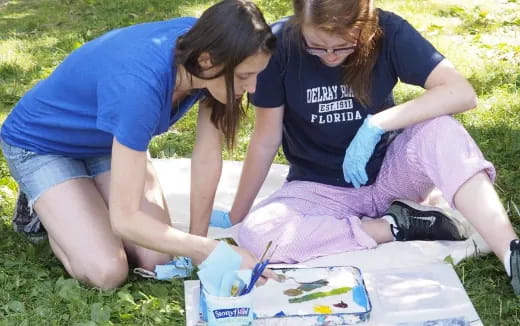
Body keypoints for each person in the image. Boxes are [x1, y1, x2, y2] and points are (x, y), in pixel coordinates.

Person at [211, 0, 520, 295]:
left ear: (365, 25)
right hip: (319, 188)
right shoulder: (278, 46)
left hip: (391, 175)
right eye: (316, 46)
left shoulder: (389, 30)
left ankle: (512, 255)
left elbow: (461, 92)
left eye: (344, 45)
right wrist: (238, 215)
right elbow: (266, 139)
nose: (330, 56)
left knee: (441, 128)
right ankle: (397, 226)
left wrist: (378, 124)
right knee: (258, 234)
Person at [0, 0, 276, 289]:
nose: (253, 88)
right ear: (207, 61)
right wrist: (211, 251)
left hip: (108, 142)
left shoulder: (210, 51)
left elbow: (206, 157)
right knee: (106, 272)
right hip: (41, 145)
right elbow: (125, 219)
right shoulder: (141, 84)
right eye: (245, 76)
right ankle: (44, 211)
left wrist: (198, 245)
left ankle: (80, 200)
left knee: (159, 259)